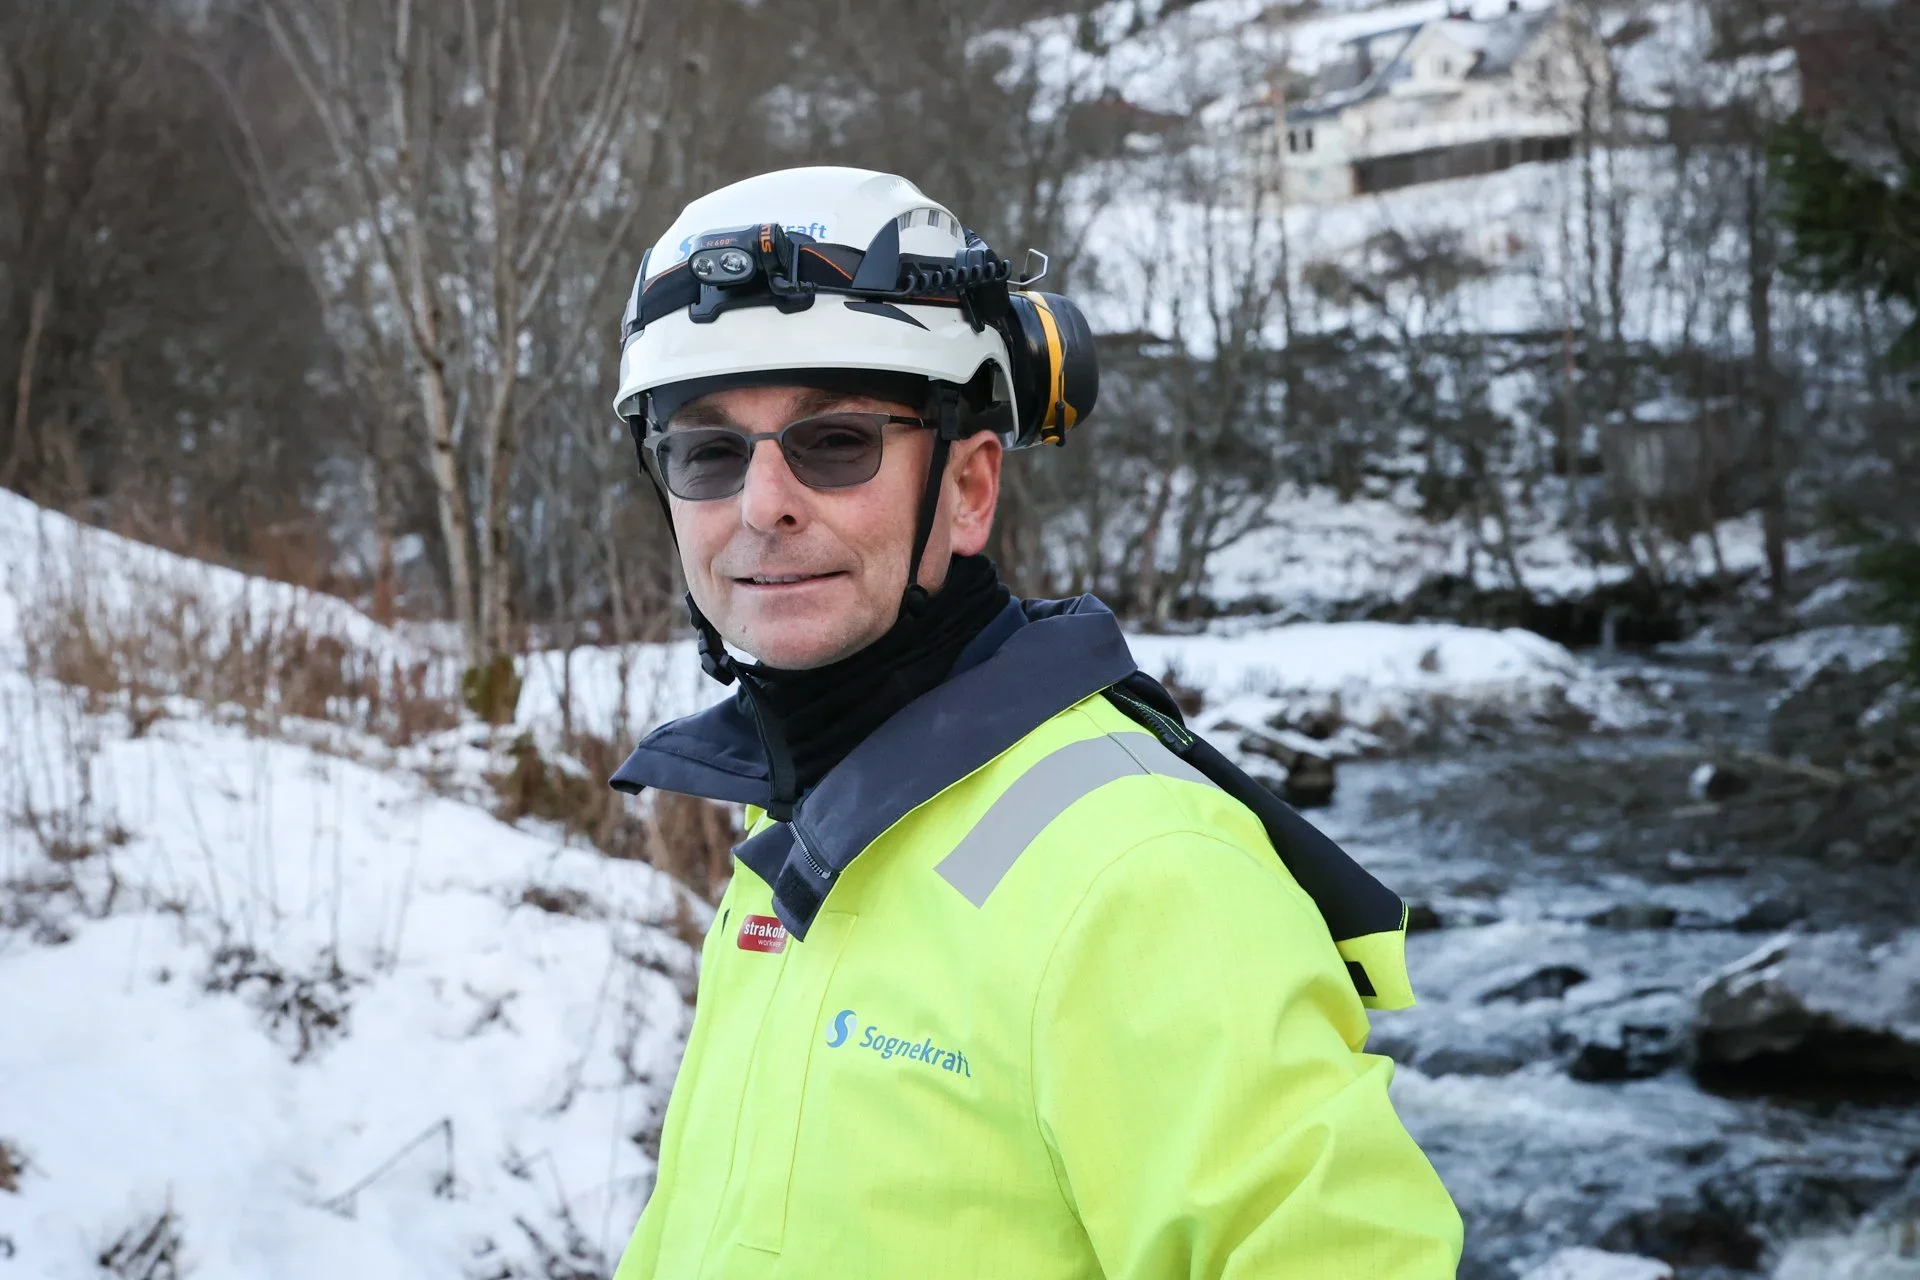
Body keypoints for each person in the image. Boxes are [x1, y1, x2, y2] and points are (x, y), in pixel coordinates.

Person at [606, 165, 1463, 1278]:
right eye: (709, 453)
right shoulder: (799, 829)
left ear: (968, 489)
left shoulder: (1144, 870)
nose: (762, 504)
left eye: (837, 443)